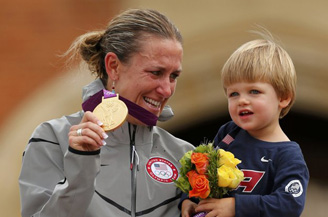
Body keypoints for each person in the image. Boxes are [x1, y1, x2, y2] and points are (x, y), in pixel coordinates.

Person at [19, 8, 195, 217]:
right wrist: (82, 161)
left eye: (173, 76)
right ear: (113, 67)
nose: (166, 90)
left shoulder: (185, 155)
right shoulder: (52, 138)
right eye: (155, 73)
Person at [181, 31, 309, 217]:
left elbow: (289, 204)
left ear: (283, 97)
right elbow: (201, 174)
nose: (242, 100)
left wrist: (235, 207)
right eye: (234, 94)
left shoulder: (288, 156)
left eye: (254, 91)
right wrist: (188, 199)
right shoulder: (229, 132)